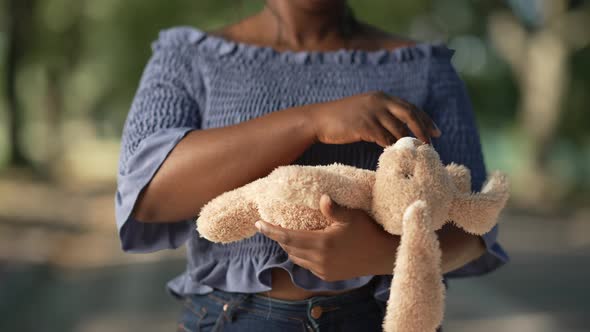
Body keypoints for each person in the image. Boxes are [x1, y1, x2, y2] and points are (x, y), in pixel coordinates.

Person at [115, 1, 509, 331]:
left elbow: (477, 225)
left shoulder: (426, 68)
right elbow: (148, 192)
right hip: (235, 319)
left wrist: (382, 253)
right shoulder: (188, 56)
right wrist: (311, 122)